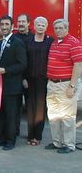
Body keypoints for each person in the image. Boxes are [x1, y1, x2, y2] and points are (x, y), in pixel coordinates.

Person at [45, 19, 82, 154]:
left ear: (67, 28)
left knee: (67, 116)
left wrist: (72, 86)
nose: (58, 30)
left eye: (61, 28)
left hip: (65, 84)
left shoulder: (74, 43)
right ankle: (57, 142)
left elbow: (78, 65)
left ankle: (68, 144)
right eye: (56, 28)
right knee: (53, 115)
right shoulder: (55, 43)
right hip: (52, 84)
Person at [0, 15, 27, 150]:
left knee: (11, 115)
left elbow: (22, 64)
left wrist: (6, 70)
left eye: (6, 24)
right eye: (2, 25)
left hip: (12, 87)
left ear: (11, 26)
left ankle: (10, 141)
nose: (4, 27)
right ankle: (1, 138)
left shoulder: (17, 42)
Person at [24, 16, 53, 146]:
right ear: (34, 27)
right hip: (29, 79)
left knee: (40, 108)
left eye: (43, 25)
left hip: (43, 80)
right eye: (38, 24)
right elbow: (24, 60)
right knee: (30, 108)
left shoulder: (50, 41)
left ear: (46, 27)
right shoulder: (28, 41)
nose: (40, 27)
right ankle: (30, 135)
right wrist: (23, 78)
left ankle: (37, 136)